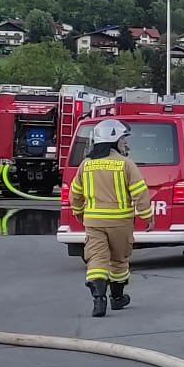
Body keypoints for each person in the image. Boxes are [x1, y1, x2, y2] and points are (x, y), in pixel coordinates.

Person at [66, 119, 153, 317]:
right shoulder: (126, 164)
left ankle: (99, 300)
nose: (125, 143)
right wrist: (147, 216)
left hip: (94, 222)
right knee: (119, 260)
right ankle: (117, 298)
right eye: (123, 139)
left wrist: (79, 213)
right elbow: (140, 192)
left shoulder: (86, 165)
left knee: (96, 259)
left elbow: (75, 194)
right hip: (120, 222)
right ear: (113, 140)